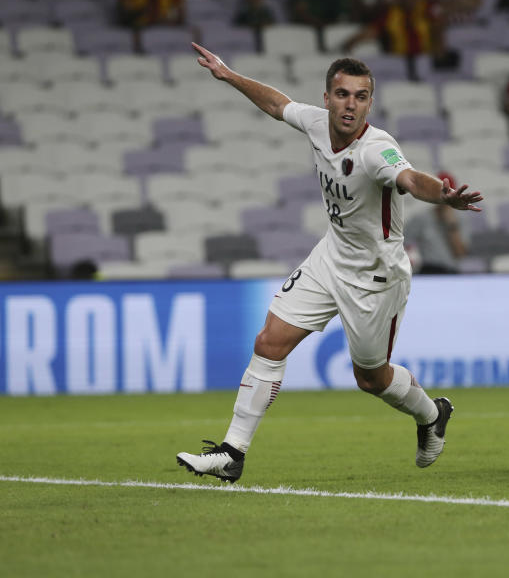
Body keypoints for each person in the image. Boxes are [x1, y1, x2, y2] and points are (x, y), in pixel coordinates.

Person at [176, 43, 483, 482]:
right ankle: (232, 452)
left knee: (371, 380)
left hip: (376, 278)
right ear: (326, 98)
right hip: (331, 256)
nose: (350, 104)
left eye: (360, 96)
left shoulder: (378, 150)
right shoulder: (316, 124)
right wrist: (228, 74)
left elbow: (411, 178)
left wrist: (445, 194)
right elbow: (277, 103)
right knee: (268, 343)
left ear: (369, 103)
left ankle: (432, 413)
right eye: (342, 94)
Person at [404, 171, 470, 274]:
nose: (445, 199)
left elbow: (460, 253)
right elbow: (402, 240)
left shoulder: (460, 219)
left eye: (449, 195)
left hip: (451, 271)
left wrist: (451, 225)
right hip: (428, 270)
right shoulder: (422, 218)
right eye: (443, 194)